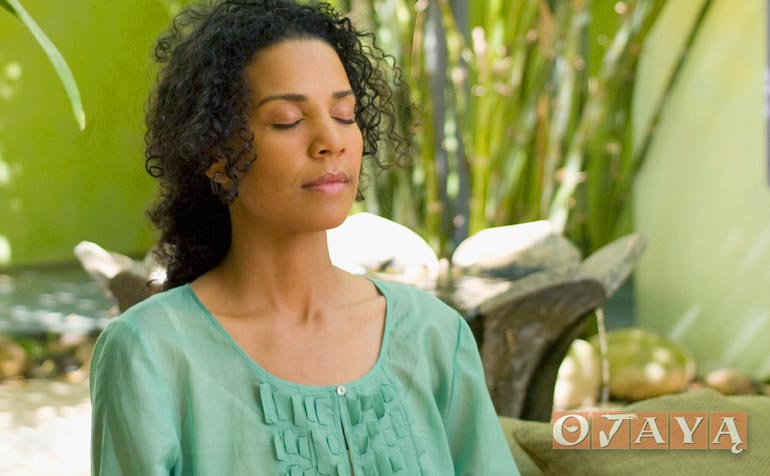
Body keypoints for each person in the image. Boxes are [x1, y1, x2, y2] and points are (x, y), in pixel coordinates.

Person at [89, 1, 520, 474]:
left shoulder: (435, 335)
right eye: (289, 120)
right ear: (215, 155)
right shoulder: (148, 353)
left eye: (344, 114)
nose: (330, 141)